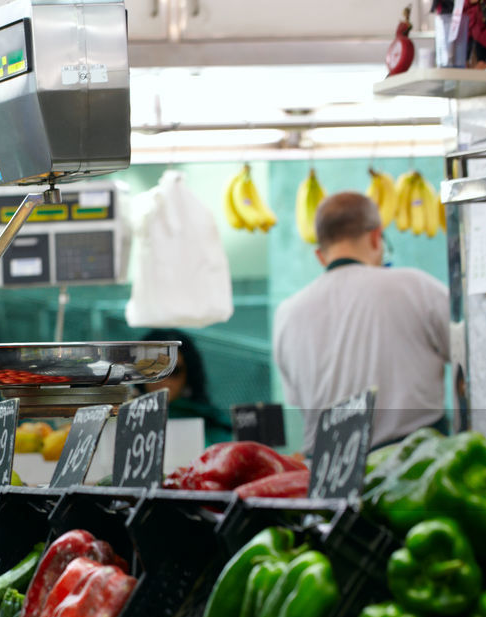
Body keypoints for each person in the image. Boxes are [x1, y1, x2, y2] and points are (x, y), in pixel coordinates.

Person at [273, 191, 450, 456]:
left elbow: (298, 402)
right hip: (413, 468)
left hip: (327, 477)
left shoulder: (287, 313)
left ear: (320, 255)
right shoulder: (417, 287)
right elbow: (471, 363)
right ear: (376, 237)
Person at [139, 328, 232, 445]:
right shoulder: (123, 416)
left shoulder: (210, 424)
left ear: (188, 376)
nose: (162, 378)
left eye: (173, 371)